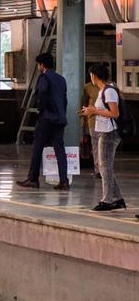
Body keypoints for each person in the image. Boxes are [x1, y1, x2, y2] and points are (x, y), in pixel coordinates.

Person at [17, 53, 69, 190]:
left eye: (38, 65)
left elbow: (42, 95)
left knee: (37, 148)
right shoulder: (61, 79)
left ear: (42, 65)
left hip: (47, 118)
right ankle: (64, 180)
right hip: (60, 119)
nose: (38, 67)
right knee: (60, 150)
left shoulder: (44, 77)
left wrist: (41, 109)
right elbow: (64, 100)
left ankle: (33, 179)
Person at [80, 65, 125, 210]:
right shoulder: (102, 91)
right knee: (104, 166)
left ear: (94, 75)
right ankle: (118, 199)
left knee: (104, 166)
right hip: (103, 131)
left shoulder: (109, 91)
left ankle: (107, 200)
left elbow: (114, 113)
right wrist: (90, 111)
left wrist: (94, 110)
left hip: (109, 132)